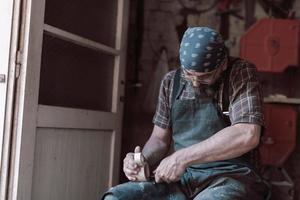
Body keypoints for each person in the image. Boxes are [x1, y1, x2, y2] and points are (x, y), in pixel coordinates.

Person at [102, 27, 269, 200]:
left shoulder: (240, 73)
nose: (196, 83)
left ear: (223, 64)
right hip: (183, 177)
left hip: (230, 176)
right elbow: (159, 140)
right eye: (189, 74)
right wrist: (141, 161)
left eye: (205, 76)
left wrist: (182, 158)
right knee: (116, 197)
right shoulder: (170, 81)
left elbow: (247, 134)